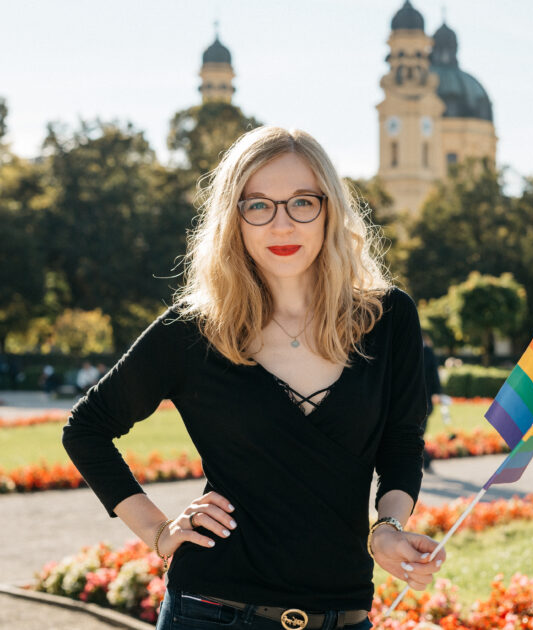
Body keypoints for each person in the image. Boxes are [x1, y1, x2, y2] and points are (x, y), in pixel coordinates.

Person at [63, 126, 445, 630]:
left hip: (343, 615)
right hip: (210, 611)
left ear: (329, 209)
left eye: (301, 203)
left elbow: (401, 443)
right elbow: (86, 429)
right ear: (233, 217)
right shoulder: (193, 330)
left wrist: (389, 528)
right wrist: (158, 531)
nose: (281, 225)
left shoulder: (388, 317)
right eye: (258, 205)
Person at [420, 333, 441, 471]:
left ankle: (425, 460)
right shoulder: (411, 350)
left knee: (418, 433)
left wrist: (436, 393)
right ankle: (425, 461)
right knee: (417, 433)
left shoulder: (427, 352)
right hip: (412, 399)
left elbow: (434, 374)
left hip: (425, 399)